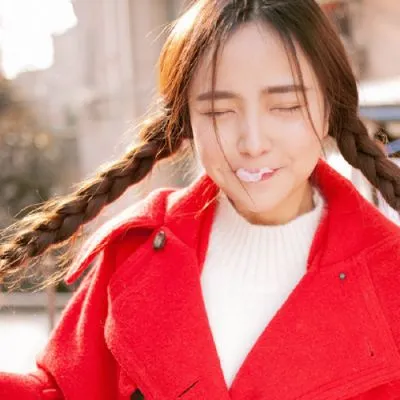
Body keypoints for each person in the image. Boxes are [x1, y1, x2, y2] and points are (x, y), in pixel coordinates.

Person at [0, 0, 400, 399]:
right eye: (219, 112)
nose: (253, 143)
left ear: (329, 108)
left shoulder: (390, 276)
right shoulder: (137, 251)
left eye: (285, 106)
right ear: (186, 122)